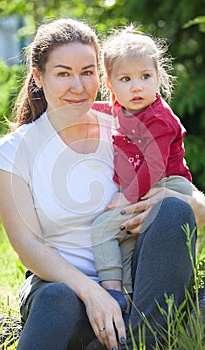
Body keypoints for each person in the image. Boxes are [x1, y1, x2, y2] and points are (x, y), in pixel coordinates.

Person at [0, 18, 205, 350]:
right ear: (39, 78)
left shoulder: (127, 125)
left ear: (102, 76)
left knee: (171, 208)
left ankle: (137, 341)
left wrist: (181, 200)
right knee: (57, 297)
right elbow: (28, 247)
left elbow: (198, 209)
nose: (78, 85)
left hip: (140, 289)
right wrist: (93, 292)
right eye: (63, 73)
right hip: (64, 288)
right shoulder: (12, 153)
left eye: (87, 72)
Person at [91, 24, 193, 313]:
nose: (137, 86)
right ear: (110, 85)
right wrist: (81, 109)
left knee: (102, 230)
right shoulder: (127, 109)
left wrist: (127, 195)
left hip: (168, 185)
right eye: (126, 79)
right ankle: (129, 300)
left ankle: (111, 292)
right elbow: (108, 111)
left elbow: (155, 164)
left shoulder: (159, 118)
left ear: (158, 77)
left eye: (145, 76)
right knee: (124, 243)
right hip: (147, 185)